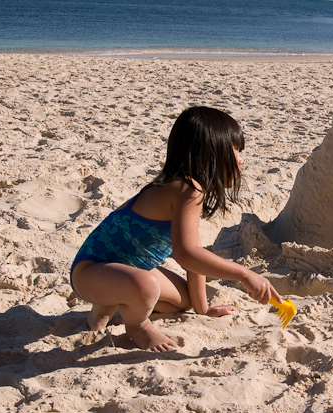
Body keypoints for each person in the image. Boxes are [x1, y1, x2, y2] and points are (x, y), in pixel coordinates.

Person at [70, 106, 281, 352]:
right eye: (236, 149)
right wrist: (244, 274)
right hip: (90, 273)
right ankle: (137, 326)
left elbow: (196, 251)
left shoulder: (188, 188)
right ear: (211, 151)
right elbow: (186, 254)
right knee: (147, 287)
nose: (241, 159)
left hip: (122, 272)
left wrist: (203, 309)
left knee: (183, 300)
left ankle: (107, 305)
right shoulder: (187, 188)